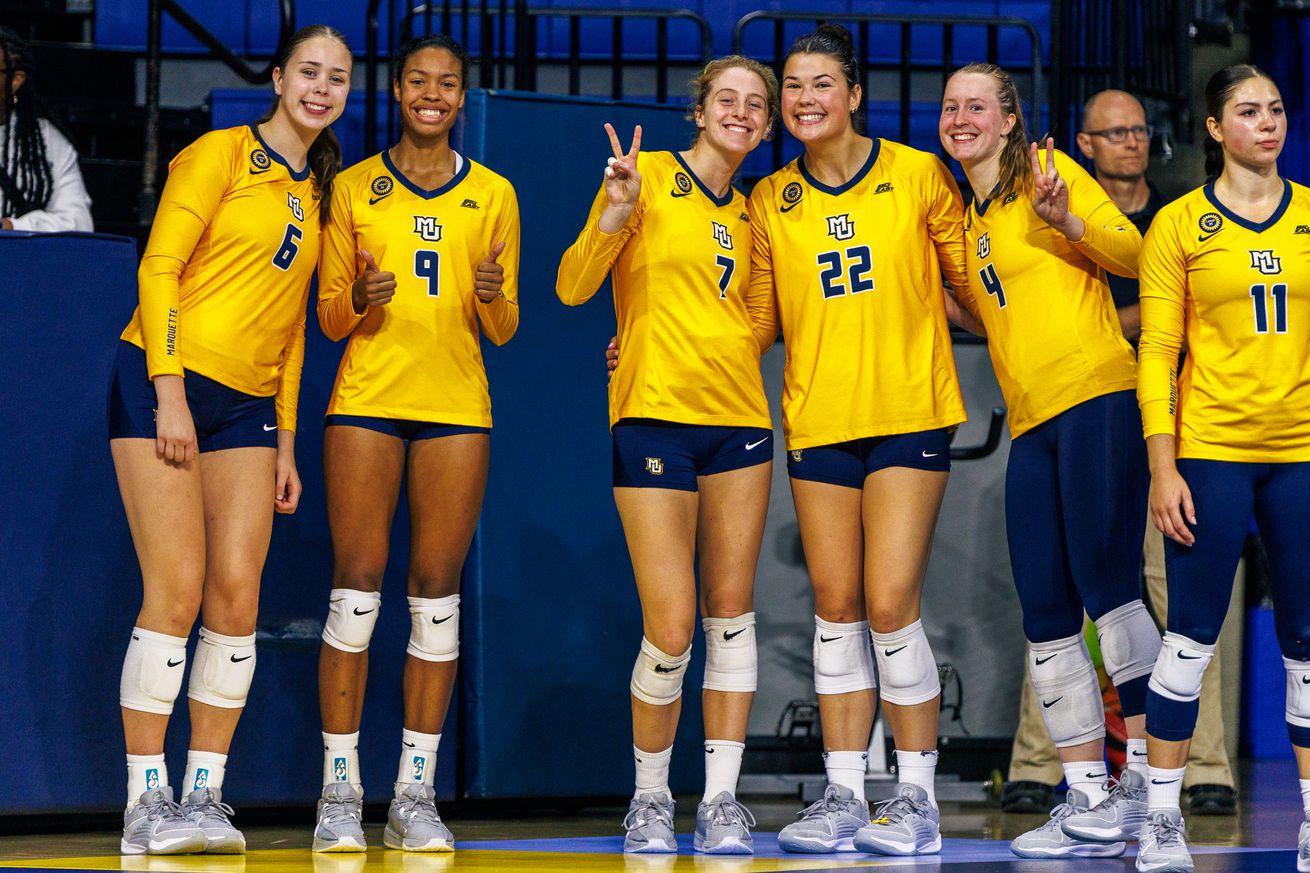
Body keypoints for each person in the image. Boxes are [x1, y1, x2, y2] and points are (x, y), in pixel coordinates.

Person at [107, 24, 350, 855]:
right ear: (279, 78)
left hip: (249, 407)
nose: (321, 89)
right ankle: (147, 800)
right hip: (161, 379)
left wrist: (283, 445)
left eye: (338, 79)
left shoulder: (319, 191)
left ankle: (204, 795)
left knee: (237, 598)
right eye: (309, 72)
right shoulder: (217, 155)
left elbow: (291, 334)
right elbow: (159, 268)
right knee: (174, 589)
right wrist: (169, 392)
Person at [750, 24, 974, 857]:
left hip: (909, 412)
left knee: (888, 605)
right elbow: (756, 322)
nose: (805, 100)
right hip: (819, 420)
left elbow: (975, 283)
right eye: (793, 88)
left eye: (820, 85)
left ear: (853, 96)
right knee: (835, 609)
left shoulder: (917, 175)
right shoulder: (771, 198)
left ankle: (915, 799)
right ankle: (845, 794)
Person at [939, 64, 1163, 860]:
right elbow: (987, 315)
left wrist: (1068, 221)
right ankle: (1085, 797)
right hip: (1033, 421)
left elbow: (1132, 251)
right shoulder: (968, 221)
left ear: (1008, 121)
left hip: (1097, 396)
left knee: (1110, 592)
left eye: (977, 106)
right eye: (951, 106)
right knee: (1044, 614)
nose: (961, 117)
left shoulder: (1050, 172)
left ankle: (1145, 785)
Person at [556, 55, 779, 856]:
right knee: (674, 625)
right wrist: (615, 211)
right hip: (651, 417)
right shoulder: (644, 174)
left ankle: (720, 800)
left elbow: (757, 319)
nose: (743, 113)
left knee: (733, 616)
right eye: (728, 99)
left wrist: (703, 343)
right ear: (700, 109)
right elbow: (573, 286)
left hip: (741, 424)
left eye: (757, 104)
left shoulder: (756, 210)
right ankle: (650, 796)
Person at [312, 34, 519, 854]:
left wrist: (495, 296)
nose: (433, 94)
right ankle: (338, 791)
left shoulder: (495, 192)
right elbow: (329, 318)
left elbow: (503, 329)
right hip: (365, 402)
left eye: (449, 84)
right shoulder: (355, 186)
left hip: (457, 407)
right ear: (397, 90)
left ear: (463, 97)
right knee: (355, 595)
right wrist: (358, 296)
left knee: (436, 601)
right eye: (419, 81)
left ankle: (414, 793)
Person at [1003, 89, 1236, 818]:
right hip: (1083, 410)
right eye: (1114, 133)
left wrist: (1118, 318)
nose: (1131, 143)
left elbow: (1187, 307)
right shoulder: (1049, 207)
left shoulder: (1171, 217)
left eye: (1139, 130)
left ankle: (1202, 764)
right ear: (1083, 143)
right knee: (1060, 596)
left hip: (1168, 421)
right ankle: (1040, 763)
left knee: (1179, 594)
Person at [1132, 64, 1310, 873]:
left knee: (1306, 643)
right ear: (1214, 128)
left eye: (1275, 110)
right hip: (1210, 451)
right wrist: (1163, 466)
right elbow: (1158, 350)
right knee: (1190, 638)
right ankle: (1162, 820)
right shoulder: (1177, 225)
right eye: (1248, 111)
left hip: (1300, 454)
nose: (1266, 123)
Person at [0, 26, 92, 231]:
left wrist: (11, 226)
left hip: (20, 259)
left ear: (15, 80)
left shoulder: (46, 141)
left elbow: (79, 223)